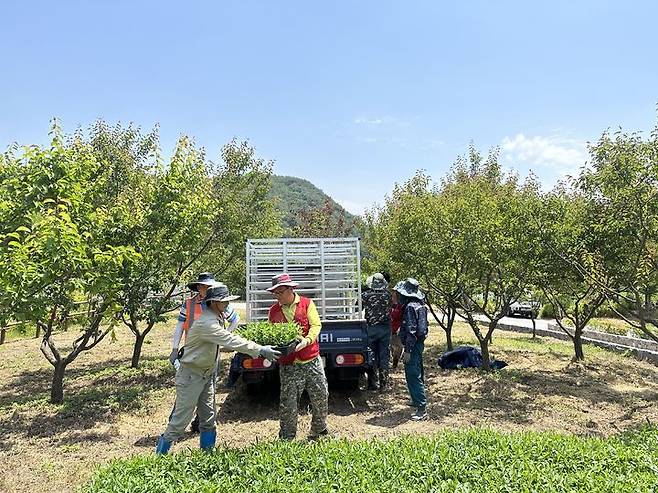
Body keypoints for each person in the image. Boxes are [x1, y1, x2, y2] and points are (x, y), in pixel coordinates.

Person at [156, 284, 281, 454]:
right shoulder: (206, 323)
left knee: (208, 419)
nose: (227, 305)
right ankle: (160, 458)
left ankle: (207, 456)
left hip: (205, 375)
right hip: (191, 376)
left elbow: (227, 340)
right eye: (224, 302)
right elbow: (230, 340)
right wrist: (260, 350)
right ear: (214, 302)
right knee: (180, 421)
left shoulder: (216, 316)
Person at [169, 272, 240, 432]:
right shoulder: (188, 304)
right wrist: (174, 348)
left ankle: (200, 423)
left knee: (209, 389)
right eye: (205, 286)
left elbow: (235, 320)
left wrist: (223, 339)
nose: (207, 289)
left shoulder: (218, 303)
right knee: (186, 388)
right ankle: (174, 424)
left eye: (210, 286)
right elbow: (180, 326)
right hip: (190, 353)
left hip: (210, 355)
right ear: (199, 287)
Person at [267, 273, 329, 440]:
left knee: (320, 396)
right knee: (288, 404)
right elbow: (272, 334)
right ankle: (287, 437)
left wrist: (307, 341)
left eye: (280, 292)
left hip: (311, 361)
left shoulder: (307, 304)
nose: (277, 296)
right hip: (289, 365)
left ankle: (319, 431)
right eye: (275, 293)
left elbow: (316, 325)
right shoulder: (273, 311)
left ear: (290, 289)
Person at [394, 278, 429, 421]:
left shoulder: (410, 308)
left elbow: (411, 330)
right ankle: (416, 400)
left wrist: (408, 350)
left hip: (413, 345)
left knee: (413, 375)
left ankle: (421, 408)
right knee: (417, 371)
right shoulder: (420, 305)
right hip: (419, 344)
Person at [362, 273, 392, 391]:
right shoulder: (388, 295)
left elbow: (357, 308)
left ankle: (371, 383)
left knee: (371, 356)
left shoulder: (365, 295)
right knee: (384, 356)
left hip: (370, 329)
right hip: (385, 329)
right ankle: (384, 385)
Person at [390, 288, 404, 369]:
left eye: (395, 295)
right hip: (390, 330)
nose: (393, 297)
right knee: (391, 347)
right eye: (392, 295)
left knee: (399, 347)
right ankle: (394, 362)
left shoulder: (401, 306)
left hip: (398, 330)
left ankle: (395, 362)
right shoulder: (389, 305)